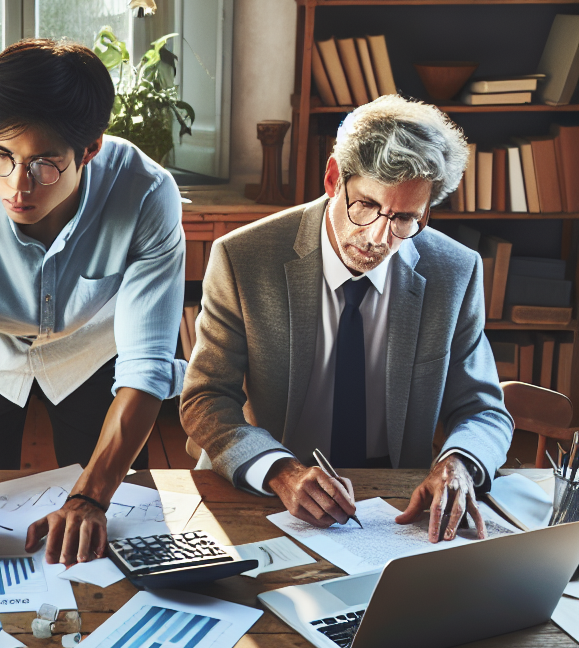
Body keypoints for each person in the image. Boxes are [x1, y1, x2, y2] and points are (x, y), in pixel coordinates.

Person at [0, 38, 185, 566]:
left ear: (91, 148)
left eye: (44, 164)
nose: (16, 185)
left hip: (93, 351)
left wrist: (89, 495)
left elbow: (147, 365)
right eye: (1, 156)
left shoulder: (146, 195)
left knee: (108, 531)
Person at [180, 95, 512, 543]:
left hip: (396, 499)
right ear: (334, 178)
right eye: (367, 206)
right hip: (273, 483)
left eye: (405, 218)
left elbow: (484, 409)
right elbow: (204, 399)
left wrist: (460, 463)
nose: (378, 238)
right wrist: (280, 470)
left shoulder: (455, 271)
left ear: (426, 210)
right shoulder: (243, 258)